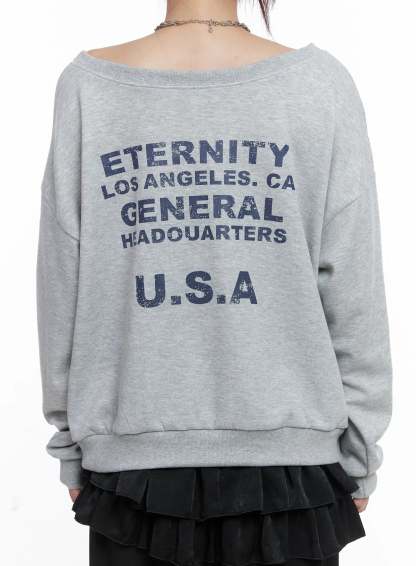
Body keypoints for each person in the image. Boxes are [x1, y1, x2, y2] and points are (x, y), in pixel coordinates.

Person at [36, 1, 393, 564]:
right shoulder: (318, 84)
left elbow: (63, 281)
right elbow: (352, 285)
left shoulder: (89, 86)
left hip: (133, 470)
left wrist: (70, 441)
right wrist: (360, 453)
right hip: (291, 472)